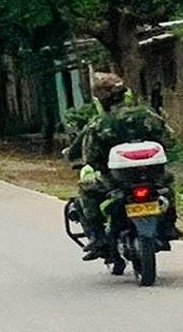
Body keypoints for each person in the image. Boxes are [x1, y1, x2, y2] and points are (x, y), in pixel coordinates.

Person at [70, 72, 177, 260]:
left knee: (86, 190)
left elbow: (91, 158)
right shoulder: (147, 115)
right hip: (151, 177)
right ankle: (169, 226)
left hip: (114, 181)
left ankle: (97, 238)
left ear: (100, 99)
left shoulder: (99, 124)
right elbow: (169, 140)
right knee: (167, 186)